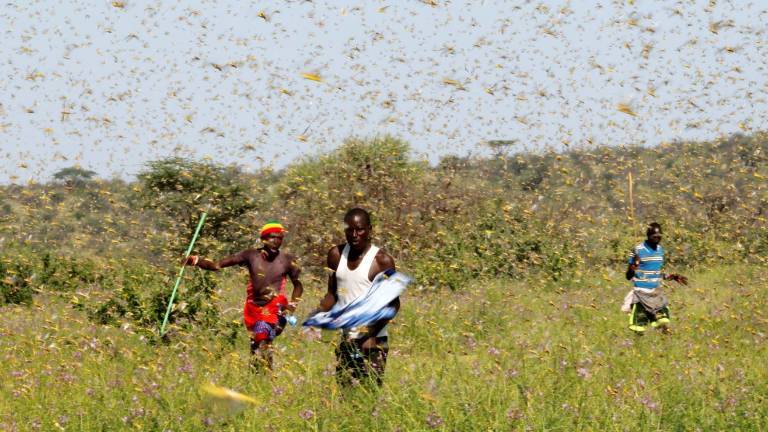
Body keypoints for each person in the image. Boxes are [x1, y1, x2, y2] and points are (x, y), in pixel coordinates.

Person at [184, 220, 303, 369]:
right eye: (272, 237)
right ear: (264, 239)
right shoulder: (251, 255)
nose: (276, 241)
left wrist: (291, 307)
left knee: (262, 337)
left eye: (280, 238)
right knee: (256, 344)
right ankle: (259, 378)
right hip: (253, 307)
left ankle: (264, 375)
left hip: (274, 305)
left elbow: (298, 286)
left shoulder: (287, 261)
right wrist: (195, 261)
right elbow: (216, 265)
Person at [315, 208, 399, 386]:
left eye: (360, 229)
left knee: (368, 400)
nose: (354, 234)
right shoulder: (335, 256)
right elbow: (332, 294)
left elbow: (393, 305)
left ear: (369, 229)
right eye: (349, 230)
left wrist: (368, 332)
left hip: (373, 343)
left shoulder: (382, 261)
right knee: (345, 400)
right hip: (346, 342)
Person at [623, 222, 688, 334]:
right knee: (639, 328)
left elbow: (656, 272)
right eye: (654, 237)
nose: (657, 239)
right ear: (648, 236)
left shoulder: (660, 250)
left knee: (663, 321)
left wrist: (672, 277)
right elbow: (628, 276)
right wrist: (633, 267)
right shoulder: (637, 250)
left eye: (659, 237)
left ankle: (666, 345)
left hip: (655, 292)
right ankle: (637, 347)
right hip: (641, 293)